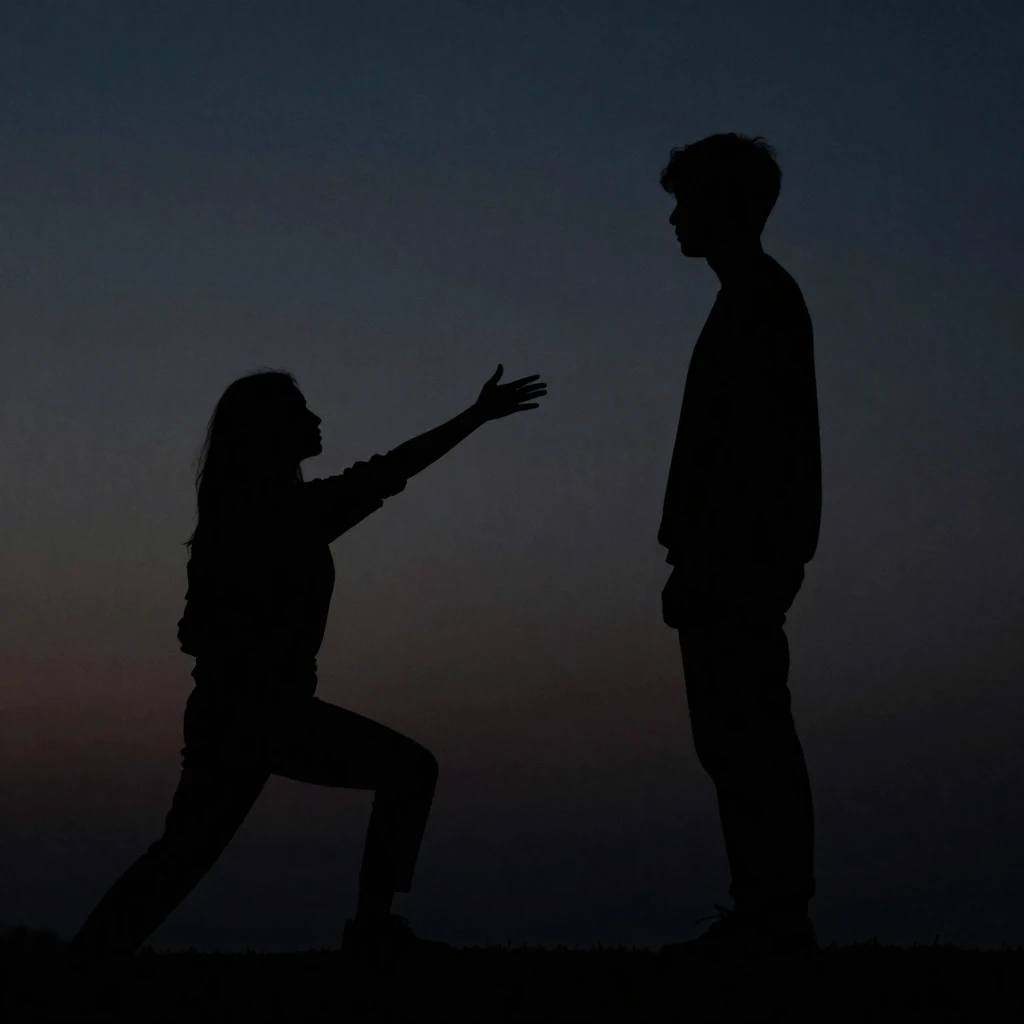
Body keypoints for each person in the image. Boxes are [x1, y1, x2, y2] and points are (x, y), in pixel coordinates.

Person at [71, 363, 547, 959]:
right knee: (405, 773)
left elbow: (194, 627)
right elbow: (389, 471)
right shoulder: (279, 515)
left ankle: (83, 963)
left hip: (243, 712)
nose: (317, 419)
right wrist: (474, 417)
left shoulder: (257, 512)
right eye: (301, 413)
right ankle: (371, 930)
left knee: (179, 859)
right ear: (271, 430)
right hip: (256, 714)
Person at [657, 134, 822, 953]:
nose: (674, 219)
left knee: (746, 735)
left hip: (738, 560)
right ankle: (765, 909)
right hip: (733, 557)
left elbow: (757, 453)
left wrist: (722, 559)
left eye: (685, 202)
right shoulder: (750, 299)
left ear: (724, 205)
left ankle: (773, 916)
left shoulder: (760, 302)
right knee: (735, 737)